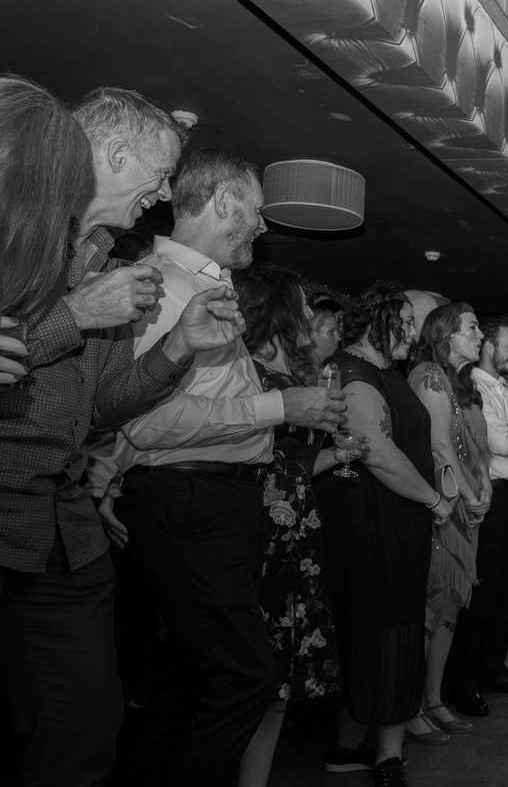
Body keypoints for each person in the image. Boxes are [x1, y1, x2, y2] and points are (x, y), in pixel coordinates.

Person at [0, 79, 244, 787]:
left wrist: (178, 347)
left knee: (85, 729)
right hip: (5, 513)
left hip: (65, 533)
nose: (164, 194)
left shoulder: (110, 268)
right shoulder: (14, 236)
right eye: (160, 173)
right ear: (112, 154)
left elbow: (103, 408)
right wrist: (75, 313)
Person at [87, 147, 347, 787]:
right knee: (245, 679)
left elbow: (146, 419)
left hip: (209, 500)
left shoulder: (204, 285)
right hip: (191, 500)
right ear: (225, 202)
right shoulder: (162, 287)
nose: (261, 225)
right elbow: (146, 422)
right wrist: (280, 405)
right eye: (255, 211)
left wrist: (109, 472)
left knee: (184, 684)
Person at [315, 282, 447, 787]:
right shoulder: (353, 372)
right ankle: (389, 759)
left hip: (393, 518)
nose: (413, 335)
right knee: (386, 633)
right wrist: (434, 499)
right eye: (407, 323)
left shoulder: (383, 372)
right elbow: (376, 451)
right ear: (379, 319)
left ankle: (348, 746)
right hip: (372, 519)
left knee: (379, 633)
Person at [231, 262, 342, 787]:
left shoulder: (295, 375)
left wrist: (338, 452)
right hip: (257, 530)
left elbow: (293, 462)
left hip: (295, 525)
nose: (308, 315)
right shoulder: (242, 368)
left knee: (278, 683)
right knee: (249, 677)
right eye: (300, 305)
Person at [444, 320, 508, 716]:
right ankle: (463, 679)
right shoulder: (473, 385)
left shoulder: (507, 389)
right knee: (483, 592)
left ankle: (494, 668)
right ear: (489, 347)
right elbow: (500, 442)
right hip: (491, 495)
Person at [406, 303, 492, 742]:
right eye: (472, 328)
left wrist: (485, 485)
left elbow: (478, 449)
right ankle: (410, 706)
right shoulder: (429, 375)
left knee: (451, 608)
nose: (480, 336)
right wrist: (472, 496)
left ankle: (434, 699)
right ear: (446, 334)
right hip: (442, 507)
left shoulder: (464, 383)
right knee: (432, 605)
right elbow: (440, 446)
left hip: (467, 508)